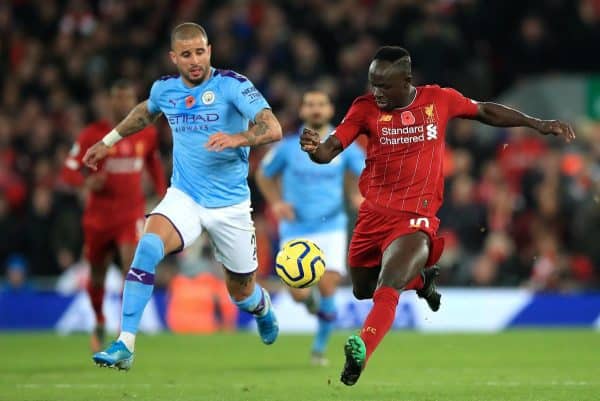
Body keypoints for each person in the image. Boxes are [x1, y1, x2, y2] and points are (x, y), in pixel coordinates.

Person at [300, 46, 575, 386]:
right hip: (374, 215)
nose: (377, 93)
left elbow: (485, 111)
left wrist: (537, 123)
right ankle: (422, 281)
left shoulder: (437, 100)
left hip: (416, 215)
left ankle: (361, 349)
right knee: (362, 289)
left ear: (406, 81)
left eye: (385, 86)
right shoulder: (364, 108)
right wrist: (316, 150)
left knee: (388, 285)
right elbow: (331, 149)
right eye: (373, 84)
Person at [83, 22, 283, 370]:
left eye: (200, 52)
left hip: (230, 206)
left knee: (240, 292)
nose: (195, 60)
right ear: (174, 57)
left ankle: (261, 306)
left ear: (210, 51)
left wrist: (238, 138)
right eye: (187, 54)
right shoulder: (165, 89)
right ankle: (124, 344)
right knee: (146, 247)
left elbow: (273, 127)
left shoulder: (233, 85)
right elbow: (145, 112)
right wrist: (108, 142)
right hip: (185, 196)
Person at [256, 89, 365, 366]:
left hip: (332, 225)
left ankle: (319, 348)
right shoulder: (288, 148)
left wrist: (356, 192)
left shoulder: (343, 146)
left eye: (321, 104)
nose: (316, 109)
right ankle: (310, 303)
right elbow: (263, 174)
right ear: (302, 111)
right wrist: (277, 202)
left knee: (328, 285)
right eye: (310, 104)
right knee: (298, 292)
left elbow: (365, 171)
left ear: (330, 111)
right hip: (295, 227)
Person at [61, 80, 167, 353]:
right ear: (110, 101)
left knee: (132, 266)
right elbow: (69, 170)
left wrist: (163, 194)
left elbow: (153, 164)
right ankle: (98, 319)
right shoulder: (92, 135)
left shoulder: (146, 134)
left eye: (128, 98)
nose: (123, 103)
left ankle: (125, 332)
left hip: (130, 213)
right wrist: (85, 184)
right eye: (118, 98)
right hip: (98, 218)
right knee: (96, 276)